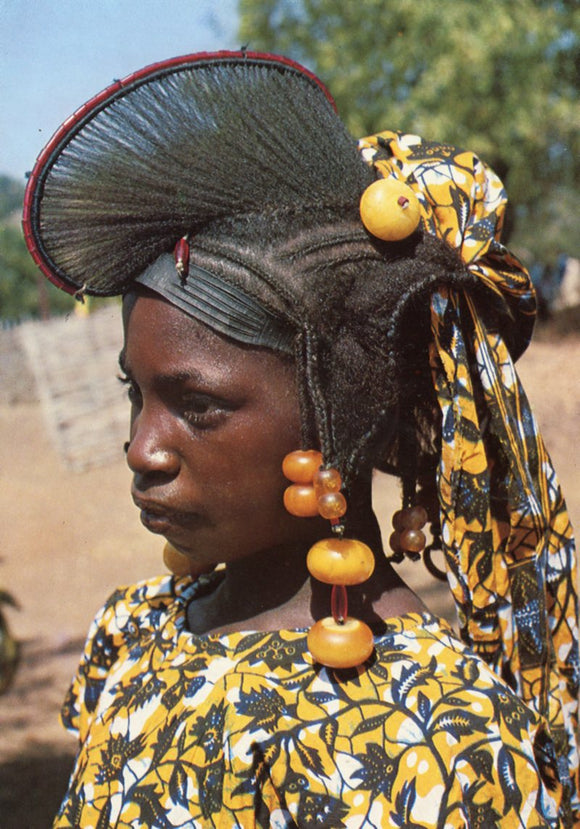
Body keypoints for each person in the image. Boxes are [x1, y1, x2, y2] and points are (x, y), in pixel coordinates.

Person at [23, 51, 578, 827]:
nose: (142, 449)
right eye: (135, 394)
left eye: (198, 403)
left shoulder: (438, 738)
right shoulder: (140, 629)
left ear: (343, 412)